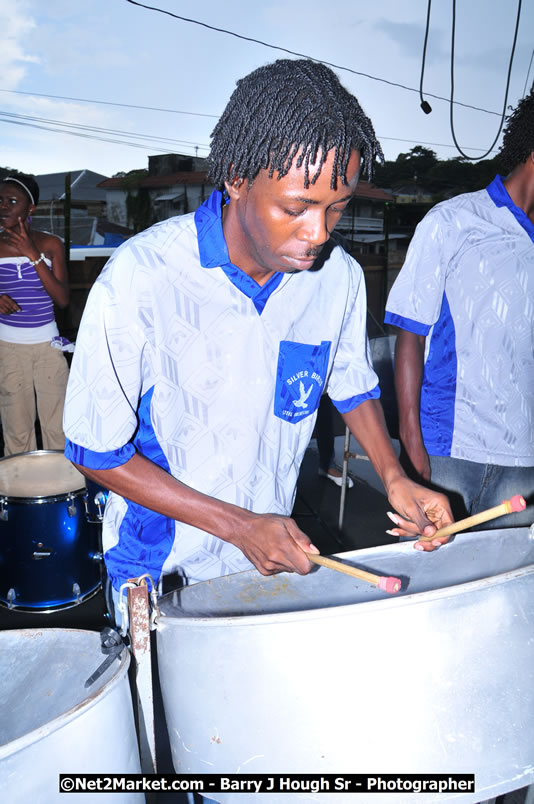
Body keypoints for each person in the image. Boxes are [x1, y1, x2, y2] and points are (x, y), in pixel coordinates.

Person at [63, 59, 453, 622]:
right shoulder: (143, 276)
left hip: (268, 556)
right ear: (237, 178)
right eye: (296, 208)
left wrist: (396, 476)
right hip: (161, 573)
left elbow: (348, 382)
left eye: (338, 207)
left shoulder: (336, 277)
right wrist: (238, 525)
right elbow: (94, 452)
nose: (319, 233)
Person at [385, 87, 534, 530]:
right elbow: (410, 333)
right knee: (429, 585)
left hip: (523, 461)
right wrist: (411, 438)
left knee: (504, 592)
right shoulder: (453, 222)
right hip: (447, 451)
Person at [0, 174, 69, 455]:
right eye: (0, 200)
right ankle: (20, 495)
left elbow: (63, 299)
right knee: (16, 431)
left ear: (31, 208)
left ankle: (65, 492)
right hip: (8, 349)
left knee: (58, 427)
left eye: (12, 201)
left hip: (47, 348)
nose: (4, 206)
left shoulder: (51, 244)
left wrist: (33, 254)